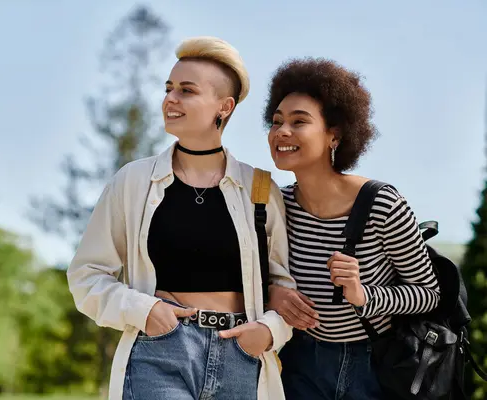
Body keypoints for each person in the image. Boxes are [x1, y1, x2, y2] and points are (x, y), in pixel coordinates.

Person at [66, 36, 295, 400]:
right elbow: (86, 275)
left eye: (187, 91)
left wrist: (268, 332)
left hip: (242, 355)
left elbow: (285, 289)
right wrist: (147, 311)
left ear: (224, 106)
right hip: (161, 351)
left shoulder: (260, 189)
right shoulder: (133, 181)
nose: (170, 99)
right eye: (168, 88)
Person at [263, 57, 441, 400]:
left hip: (373, 364)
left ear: (335, 134)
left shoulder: (381, 204)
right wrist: (272, 292)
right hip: (299, 360)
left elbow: (429, 293)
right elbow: (255, 274)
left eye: (299, 121)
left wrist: (364, 294)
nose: (282, 132)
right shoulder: (276, 206)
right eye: (276, 121)